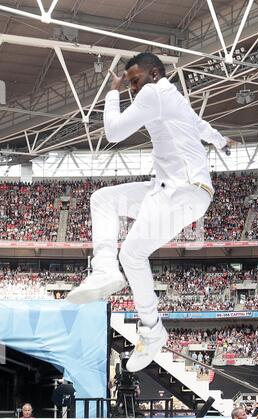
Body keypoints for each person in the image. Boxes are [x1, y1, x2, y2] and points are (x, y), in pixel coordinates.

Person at [67, 52, 231, 372]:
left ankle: (152, 328)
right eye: (128, 84)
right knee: (103, 199)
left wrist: (112, 92)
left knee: (131, 255)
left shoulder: (154, 92)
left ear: (154, 74)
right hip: (170, 190)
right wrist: (222, 141)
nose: (132, 88)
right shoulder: (176, 99)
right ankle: (103, 268)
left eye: (135, 80)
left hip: (181, 192)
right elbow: (201, 126)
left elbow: (113, 132)